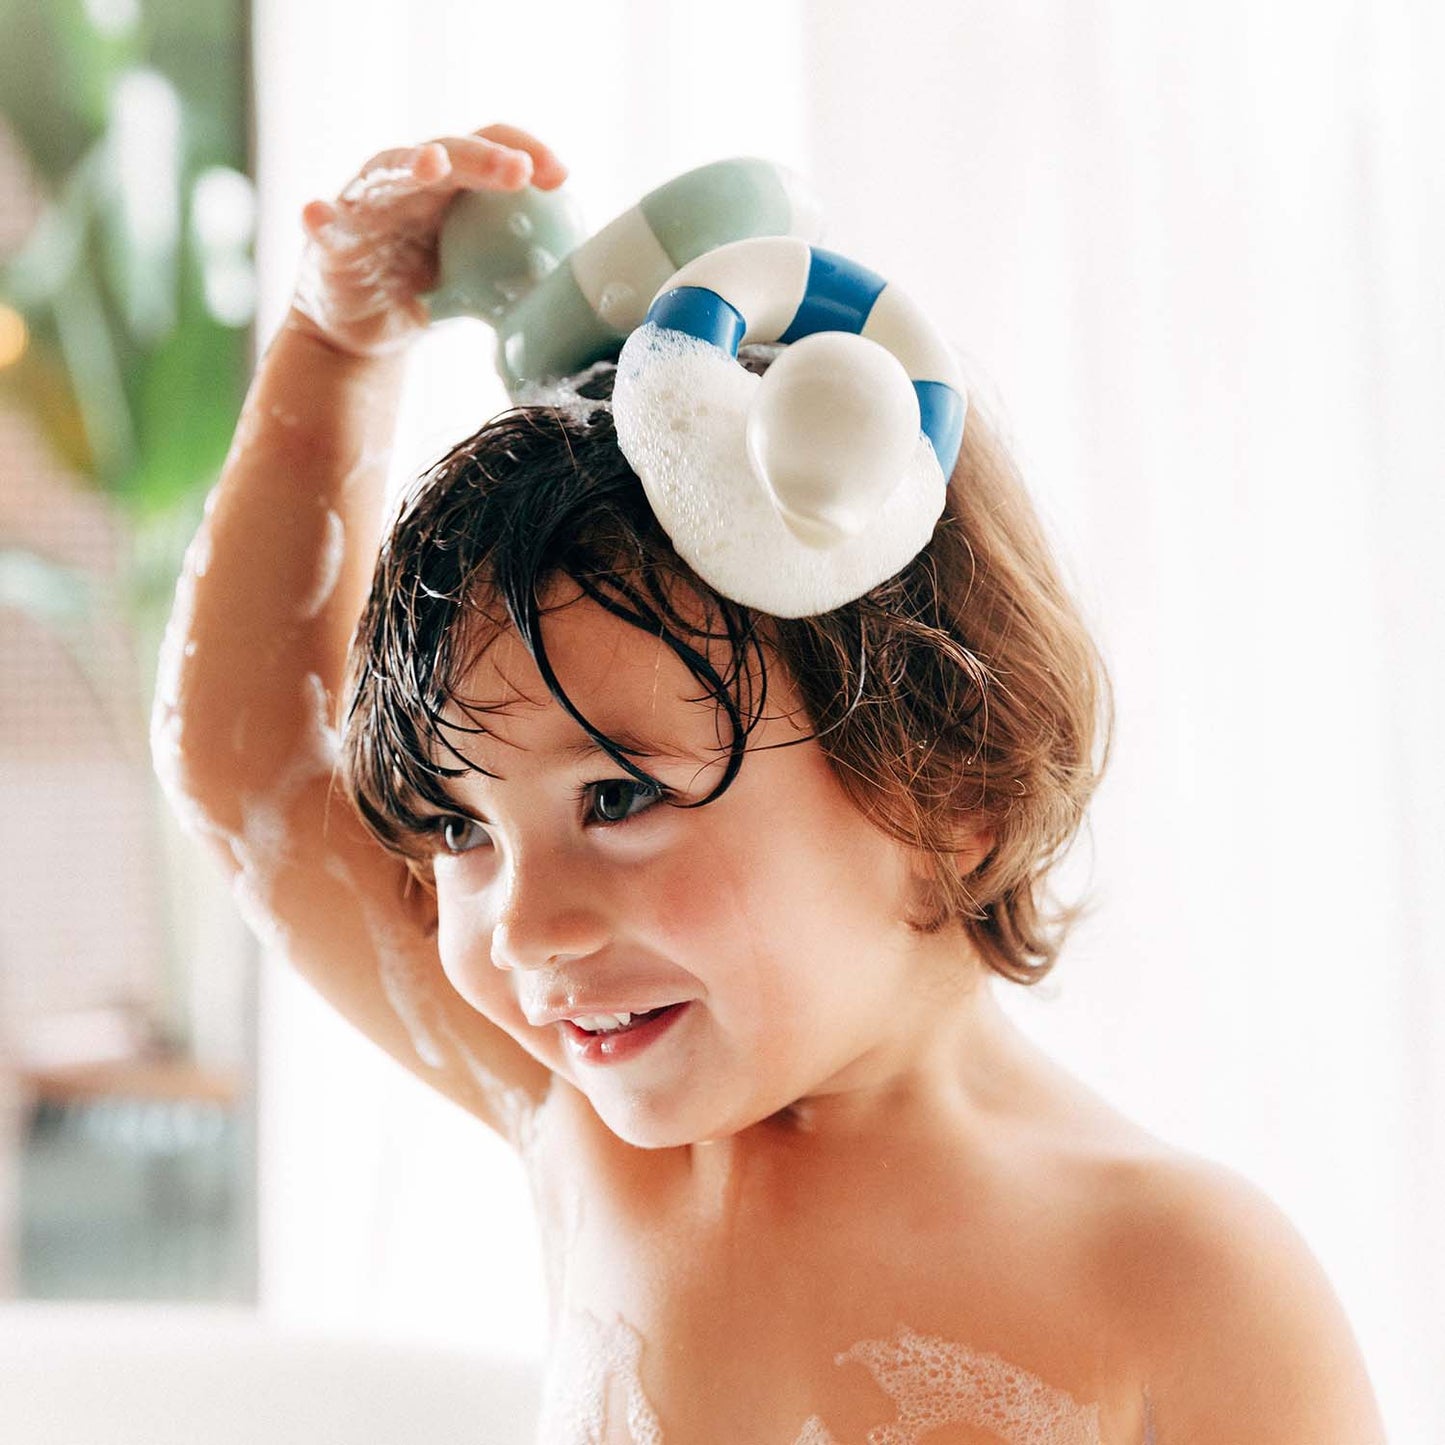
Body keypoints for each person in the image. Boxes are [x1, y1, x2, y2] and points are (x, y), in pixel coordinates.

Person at [152, 121, 1387, 1444]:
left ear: (945, 787)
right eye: (463, 826)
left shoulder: (1182, 1284)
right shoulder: (595, 1131)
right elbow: (252, 773)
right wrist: (335, 343)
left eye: (615, 799)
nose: (523, 930)